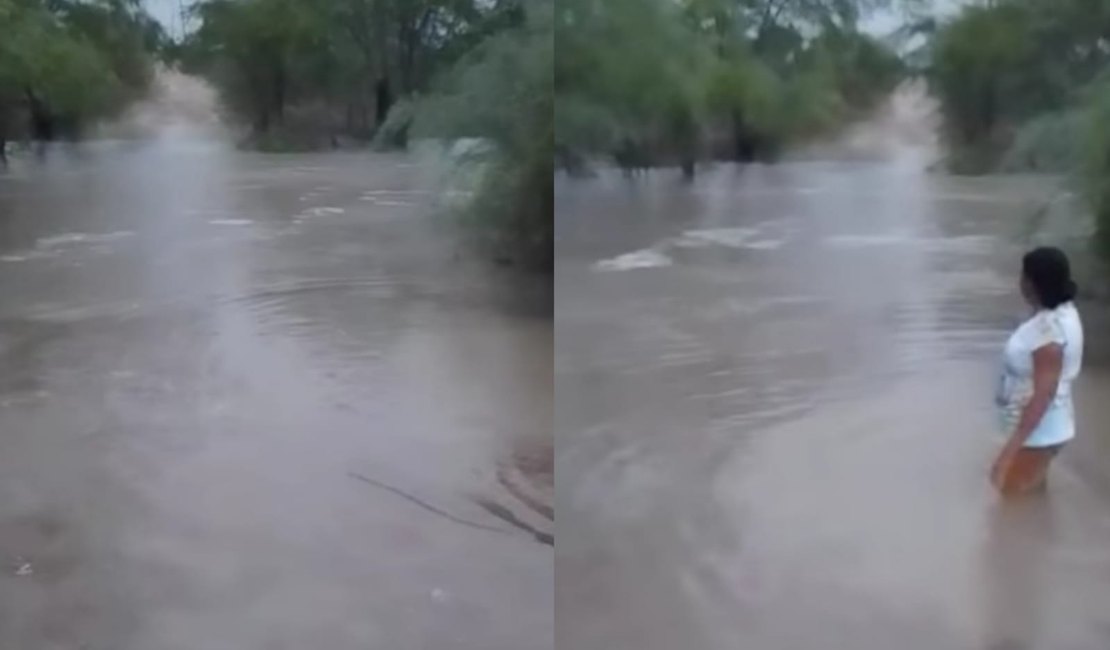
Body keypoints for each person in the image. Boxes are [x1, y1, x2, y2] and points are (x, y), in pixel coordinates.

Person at [991, 246, 1084, 496]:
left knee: (1010, 509)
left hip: (1037, 434)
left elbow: (1043, 396)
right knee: (1031, 501)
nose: (1019, 281)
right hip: (1050, 428)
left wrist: (1009, 452)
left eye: (1023, 275)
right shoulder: (1064, 312)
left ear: (1032, 283)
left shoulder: (1048, 335)